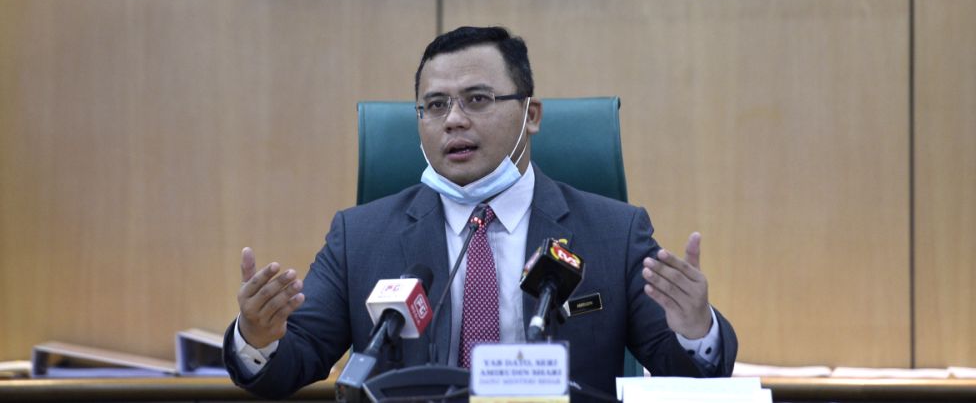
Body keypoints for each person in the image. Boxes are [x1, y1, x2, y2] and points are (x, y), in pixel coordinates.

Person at [224, 26, 737, 400]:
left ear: (530, 115)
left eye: (477, 99)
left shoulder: (613, 232)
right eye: (435, 105)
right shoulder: (361, 236)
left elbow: (686, 375)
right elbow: (292, 363)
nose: (454, 120)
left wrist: (696, 328)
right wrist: (258, 337)